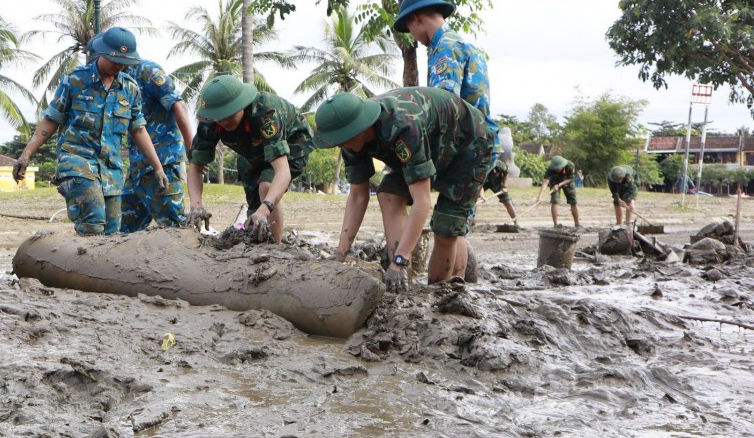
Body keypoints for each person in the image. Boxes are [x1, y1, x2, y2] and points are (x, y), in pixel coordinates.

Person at [314, 87, 493, 291]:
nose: (341, 146)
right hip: (427, 144)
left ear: (360, 127)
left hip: (468, 143)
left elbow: (422, 201)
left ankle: (440, 293)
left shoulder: (403, 126)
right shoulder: (348, 142)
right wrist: (340, 253)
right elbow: (357, 197)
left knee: (446, 225)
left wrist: (401, 259)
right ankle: (401, 284)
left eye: (343, 140)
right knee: (388, 194)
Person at [12, 27, 167, 235]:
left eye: (124, 62)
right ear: (102, 53)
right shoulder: (75, 80)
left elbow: (138, 130)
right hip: (77, 161)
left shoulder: (130, 89)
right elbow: (51, 119)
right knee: (93, 221)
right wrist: (26, 154)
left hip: (111, 169)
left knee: (112, 233)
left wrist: (158, 168)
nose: (119, 66)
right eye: (115, 60)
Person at [186, 75, 314, 244]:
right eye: (219, 117)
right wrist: (196, 206)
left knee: (266, 189)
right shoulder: (210, 120)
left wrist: (265, 208)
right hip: (252, 150)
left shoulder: (266, 113)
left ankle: (275, 248)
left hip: (293, 145)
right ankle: (257, 241)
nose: (224, 121)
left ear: (241, 104)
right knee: (254, 209)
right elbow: (195, 167)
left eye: (228, 115)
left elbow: (283, 172)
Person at [394, 0, 499, 146]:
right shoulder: (462, 45)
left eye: (410, 30)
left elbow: (443, 108)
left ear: (415, 18)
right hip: (482, 143)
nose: (413, 36)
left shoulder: (445, 49)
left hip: (468, 151)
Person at [119, 54, 194, 232]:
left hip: (163, 161)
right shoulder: (120, 78)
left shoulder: (148, 71)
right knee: (123, 229)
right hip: (138, 166)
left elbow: (179, 106)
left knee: (175, 228)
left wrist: (192, 149)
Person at [535, 155, 580, 228]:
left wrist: (559, 185)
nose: (556, 170)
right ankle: (555, 224)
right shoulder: (550, 169)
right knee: (554, 201)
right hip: (554, 181)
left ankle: (577, 224)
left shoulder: (570, 165)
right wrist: (539, 197)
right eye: (555, 168)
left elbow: (570, 179)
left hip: (567, 181)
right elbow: (546, 182)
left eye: (558, 168)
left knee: (573, 201)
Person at [481, 159, 521, 227]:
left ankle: (515, 222)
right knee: (472, 201)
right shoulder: (479, 165)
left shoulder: (498, 164)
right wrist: (482, 196)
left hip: (496, 182)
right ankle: (470, 220)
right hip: (482, 183)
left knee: (507, 202)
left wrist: (504, 186)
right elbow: (479, 184)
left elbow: (506, 173)